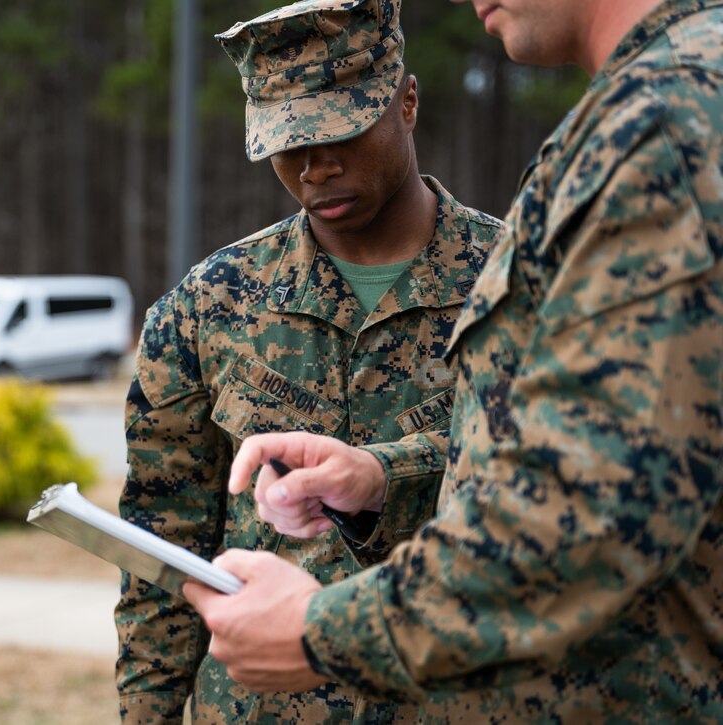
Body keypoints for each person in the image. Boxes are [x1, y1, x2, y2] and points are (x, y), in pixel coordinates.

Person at [183, 0, 723, 721]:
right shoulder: (671, 100)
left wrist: (321, 633)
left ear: (406, 102)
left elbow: (589, 511)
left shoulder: (665, 123)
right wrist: (384, 476)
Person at [114, 1, 503, 722]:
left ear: (407, 102)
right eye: (286, 143)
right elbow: (162, 557)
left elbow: (557, 487)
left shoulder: (519, 282)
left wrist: (391, 475)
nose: (315, 167)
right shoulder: (209, 305)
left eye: (342, 133)